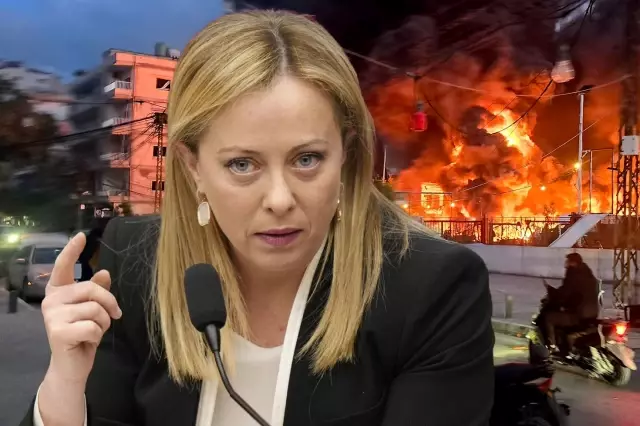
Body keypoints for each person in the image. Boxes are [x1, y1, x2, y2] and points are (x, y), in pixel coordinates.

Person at [22, 10, 494, 426]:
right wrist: (65, 383)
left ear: (347, 154)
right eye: (242, 164)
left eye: (307, 159)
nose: (279, 199)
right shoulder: (136, 263)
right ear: (193, 166)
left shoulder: (431, 287)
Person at [542, 253, 600, 353]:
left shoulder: (573, 276)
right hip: (592, 315)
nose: (566, 265)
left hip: (578, 316)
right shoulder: (590, 277)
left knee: (549, 318)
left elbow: (564, 294)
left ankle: (552, 347)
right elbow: (576, 296)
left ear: (573, 263)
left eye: (567, 262)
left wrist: (551, 291)